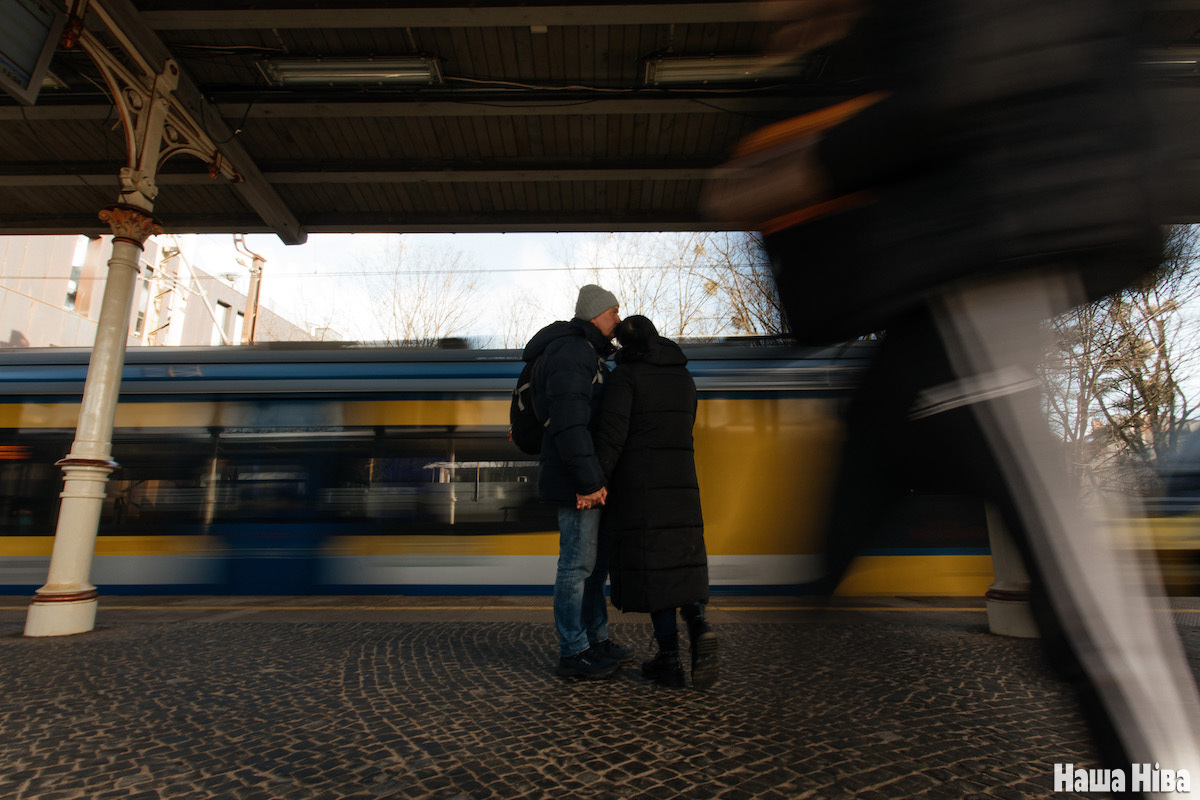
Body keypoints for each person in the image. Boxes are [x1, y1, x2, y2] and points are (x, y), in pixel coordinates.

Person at [704, 0, 1200, 786]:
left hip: (979, 270)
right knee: (834, 545)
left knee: (1079, 586)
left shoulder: (920, 34)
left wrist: (810, 164)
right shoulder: (850, 56)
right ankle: (801, 719)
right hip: (928, 303)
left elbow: (970, 75)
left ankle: (1166, 770)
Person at [592, 316, 717, 689]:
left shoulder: (627, 377)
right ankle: (699, 624)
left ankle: (669, 660)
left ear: (626, 346)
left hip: (642, 491)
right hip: (682, 485)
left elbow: (612, 436)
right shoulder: (683, 376)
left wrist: (597, 482)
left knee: (657, 575)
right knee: (681, 565)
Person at [522, 284, 634, 679]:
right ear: (595, 314)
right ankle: (573, 652)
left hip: (590, 479)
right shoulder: (572, 352)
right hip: (576, 481)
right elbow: (570, 423)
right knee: (576, 566)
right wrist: (589, 482)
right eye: (614, 312)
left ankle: (596, 638)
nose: (618, 319)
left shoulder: (593, 354)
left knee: (595, 566)